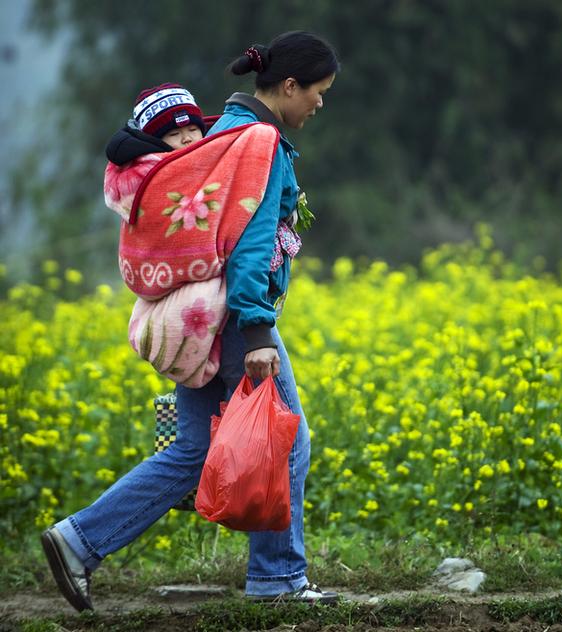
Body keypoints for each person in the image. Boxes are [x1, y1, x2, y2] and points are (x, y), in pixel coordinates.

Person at [40, 30, 340, 612]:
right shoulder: (259, 143)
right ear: (288, 86)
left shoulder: (221, 131)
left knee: (196, 449)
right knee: (287, 440)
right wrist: (257, 332)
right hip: (235, 319)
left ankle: (79, 540)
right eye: (319, 92)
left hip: (197, 317)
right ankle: (279, 580)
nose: (320, 103)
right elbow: (250, 244)